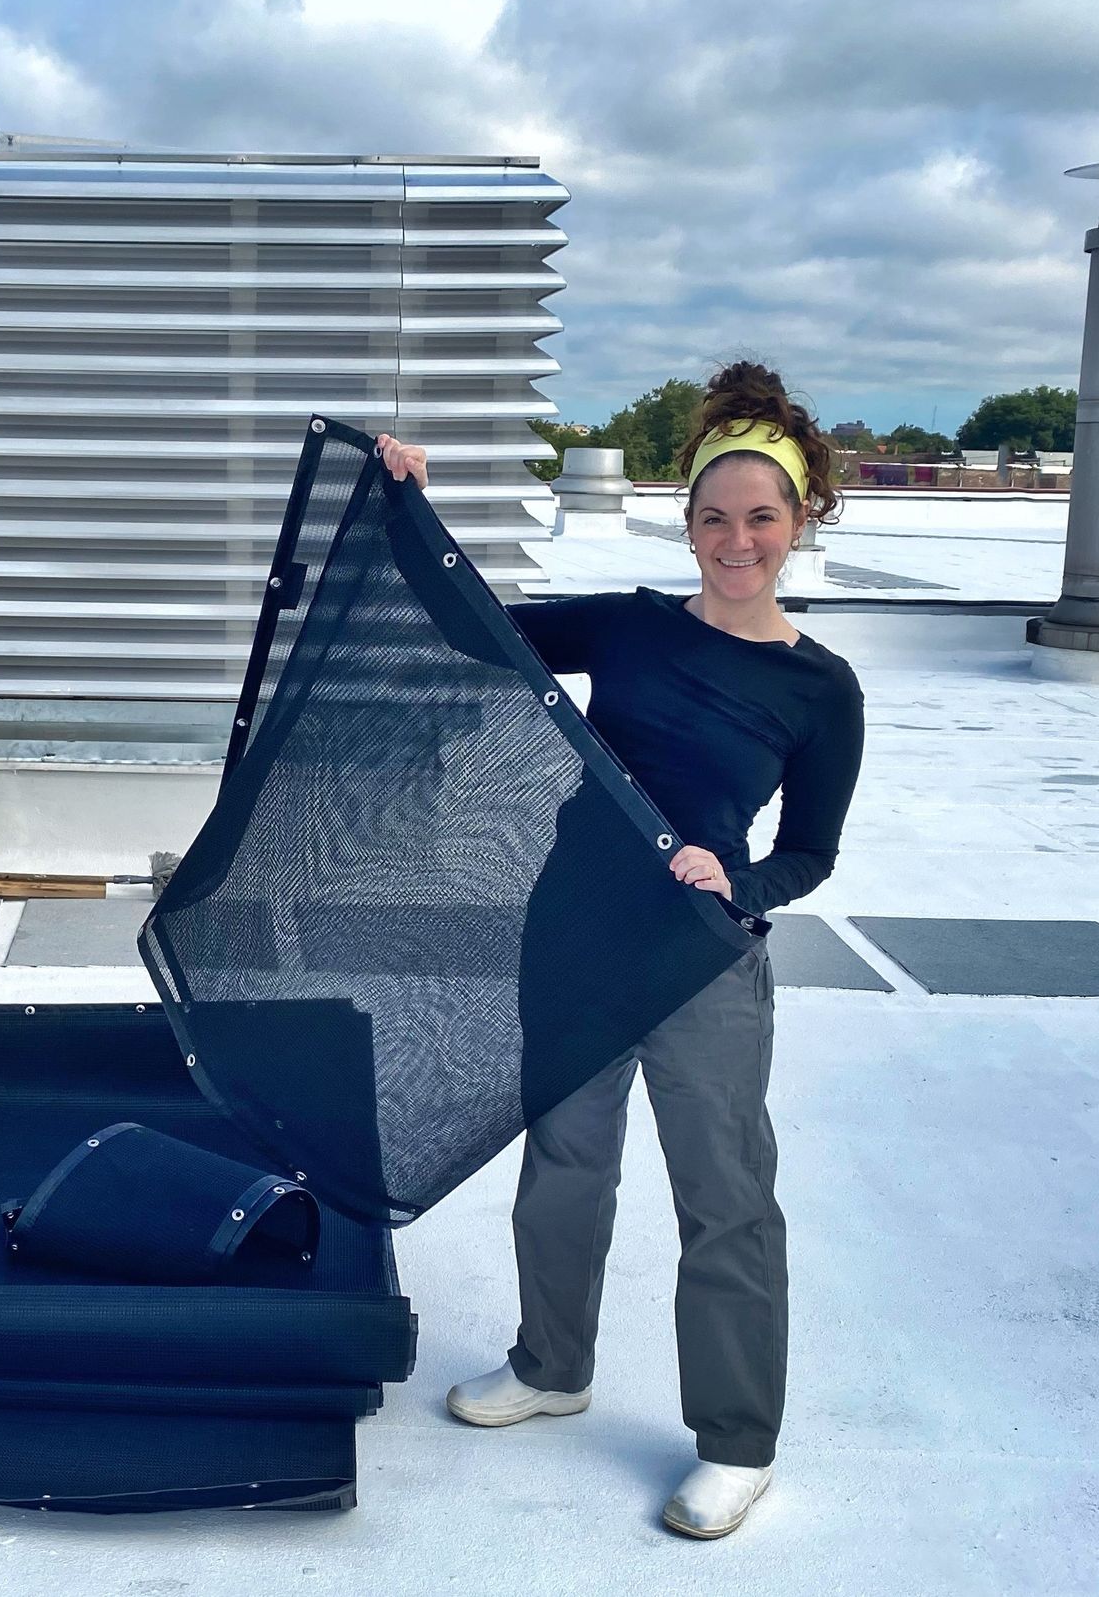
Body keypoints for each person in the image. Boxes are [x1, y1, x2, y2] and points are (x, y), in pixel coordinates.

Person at [376, 360, 865, 1540]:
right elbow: (471, 626)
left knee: (726, 1200)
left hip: (703, 960)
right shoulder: (630, 625)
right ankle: (552, 1366)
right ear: (686, 520)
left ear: (798, 522)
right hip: (578, 932)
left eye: (760, 517)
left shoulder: (822, 690)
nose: (734, 540)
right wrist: (406, 502)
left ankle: (739, 1443)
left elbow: (810, 854)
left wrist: (734, 878)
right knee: (564, 1168)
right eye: (713, 516)